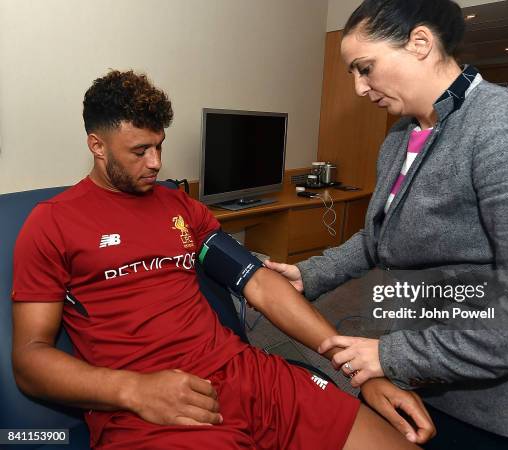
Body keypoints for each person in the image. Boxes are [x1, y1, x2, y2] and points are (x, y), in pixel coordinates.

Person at [11, 70, 436, 449]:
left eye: (160, 146)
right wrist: (134, 391)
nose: (156, 162)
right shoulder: (52, 223)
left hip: (246, 376)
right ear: (97, 145)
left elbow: (260, 284)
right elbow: (30, 357)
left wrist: (363, 374)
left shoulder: (179, 205)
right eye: (140, 151)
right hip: (153, 410)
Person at [264, 0, 508, 448]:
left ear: (420, 43)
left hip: (490, 406)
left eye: (365, 68)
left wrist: (393, 356)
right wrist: (309, 273)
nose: (360, 89)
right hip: (411, 374)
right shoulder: (401, 136)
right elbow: (381, 236)